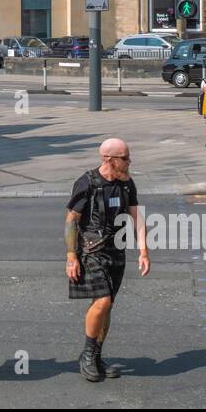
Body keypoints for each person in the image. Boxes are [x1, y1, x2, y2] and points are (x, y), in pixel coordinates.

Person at [65, 138, 149, 382]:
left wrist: (143, 251)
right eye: (125, 158)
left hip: (117, 252)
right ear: (109, 160)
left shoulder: (126, 184)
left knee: (107, 305)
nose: (129, 162)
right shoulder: (87, 183)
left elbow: (137, 217)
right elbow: (71, 220)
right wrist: (71, 257)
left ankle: (97, 356)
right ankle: (88, 355)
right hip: (92, 252)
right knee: (101, 302)